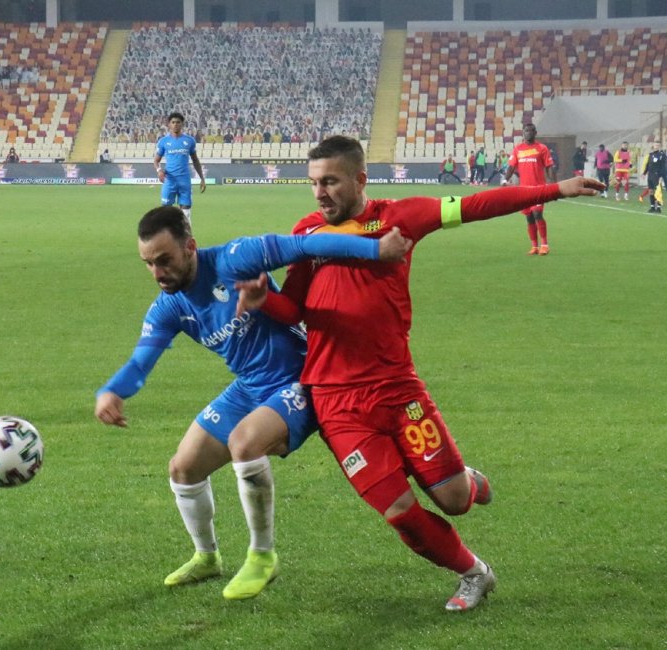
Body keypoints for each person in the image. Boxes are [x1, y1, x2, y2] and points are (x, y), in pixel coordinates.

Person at [235, 135, 604, 612]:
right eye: (313, 183)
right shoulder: (306, 233)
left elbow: (477, 205)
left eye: (329, 181)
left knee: (453, 500)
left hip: (396, 387)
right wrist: (266, 301)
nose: (319, 193)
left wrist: (556, 189)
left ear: (360, 179)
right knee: (399, 512)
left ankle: (465, 480)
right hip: (335, 400)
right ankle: (474, 572)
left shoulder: (400, 217)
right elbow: (298, 309)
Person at [95, 205, 411, 601]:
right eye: (149, 264)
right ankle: (206, 556)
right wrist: (112, 391)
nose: (158, 273)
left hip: (301, 377)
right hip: (250, 386)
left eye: (165, 260)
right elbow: (141, 362)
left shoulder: (236, 258)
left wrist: (375, 250)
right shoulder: (169, 307)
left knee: (245, 443)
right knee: (183, 467)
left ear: (190, 247)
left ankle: (263, 555)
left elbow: (303, 244)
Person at [503, 122, 555, 255]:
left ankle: (544, 245)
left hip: (538, 188)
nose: (528, 133)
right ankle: (534, 246)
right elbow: (511, 166)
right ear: (523, 133)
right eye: (526, 131)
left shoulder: (542, 148)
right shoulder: (518, 149)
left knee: (538, 213)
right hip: (524, 190)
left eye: (531, 131)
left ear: (535, 133)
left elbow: (549, 166)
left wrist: (552, 184)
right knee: (529, 217)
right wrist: (505, 179)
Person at [154, 112, 206, 225]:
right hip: (169, 180)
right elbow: (156, 160)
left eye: (178, 122)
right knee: (166, 213)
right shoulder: (163, 141)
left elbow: (195, 160)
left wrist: (202, 178)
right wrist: (159, 171)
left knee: (186, 213)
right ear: (169, 124)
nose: (175, 124)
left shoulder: (190, 141)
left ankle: (186, 240)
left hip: (184, 181)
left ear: (182, 124)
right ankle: (168, 239)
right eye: (173, 122)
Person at [639, 140, 665, 213]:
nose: (656, 146)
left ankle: (659, 208)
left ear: (660, 146)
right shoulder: (650, 155)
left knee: (658, 192)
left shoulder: (662, 155)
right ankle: (652, 207)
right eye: (655, 145)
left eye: (658, 145)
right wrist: (644, 173)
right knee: (651, 191)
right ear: (653, 146)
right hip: (650, 175)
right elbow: (648, 165)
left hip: (657, 175)